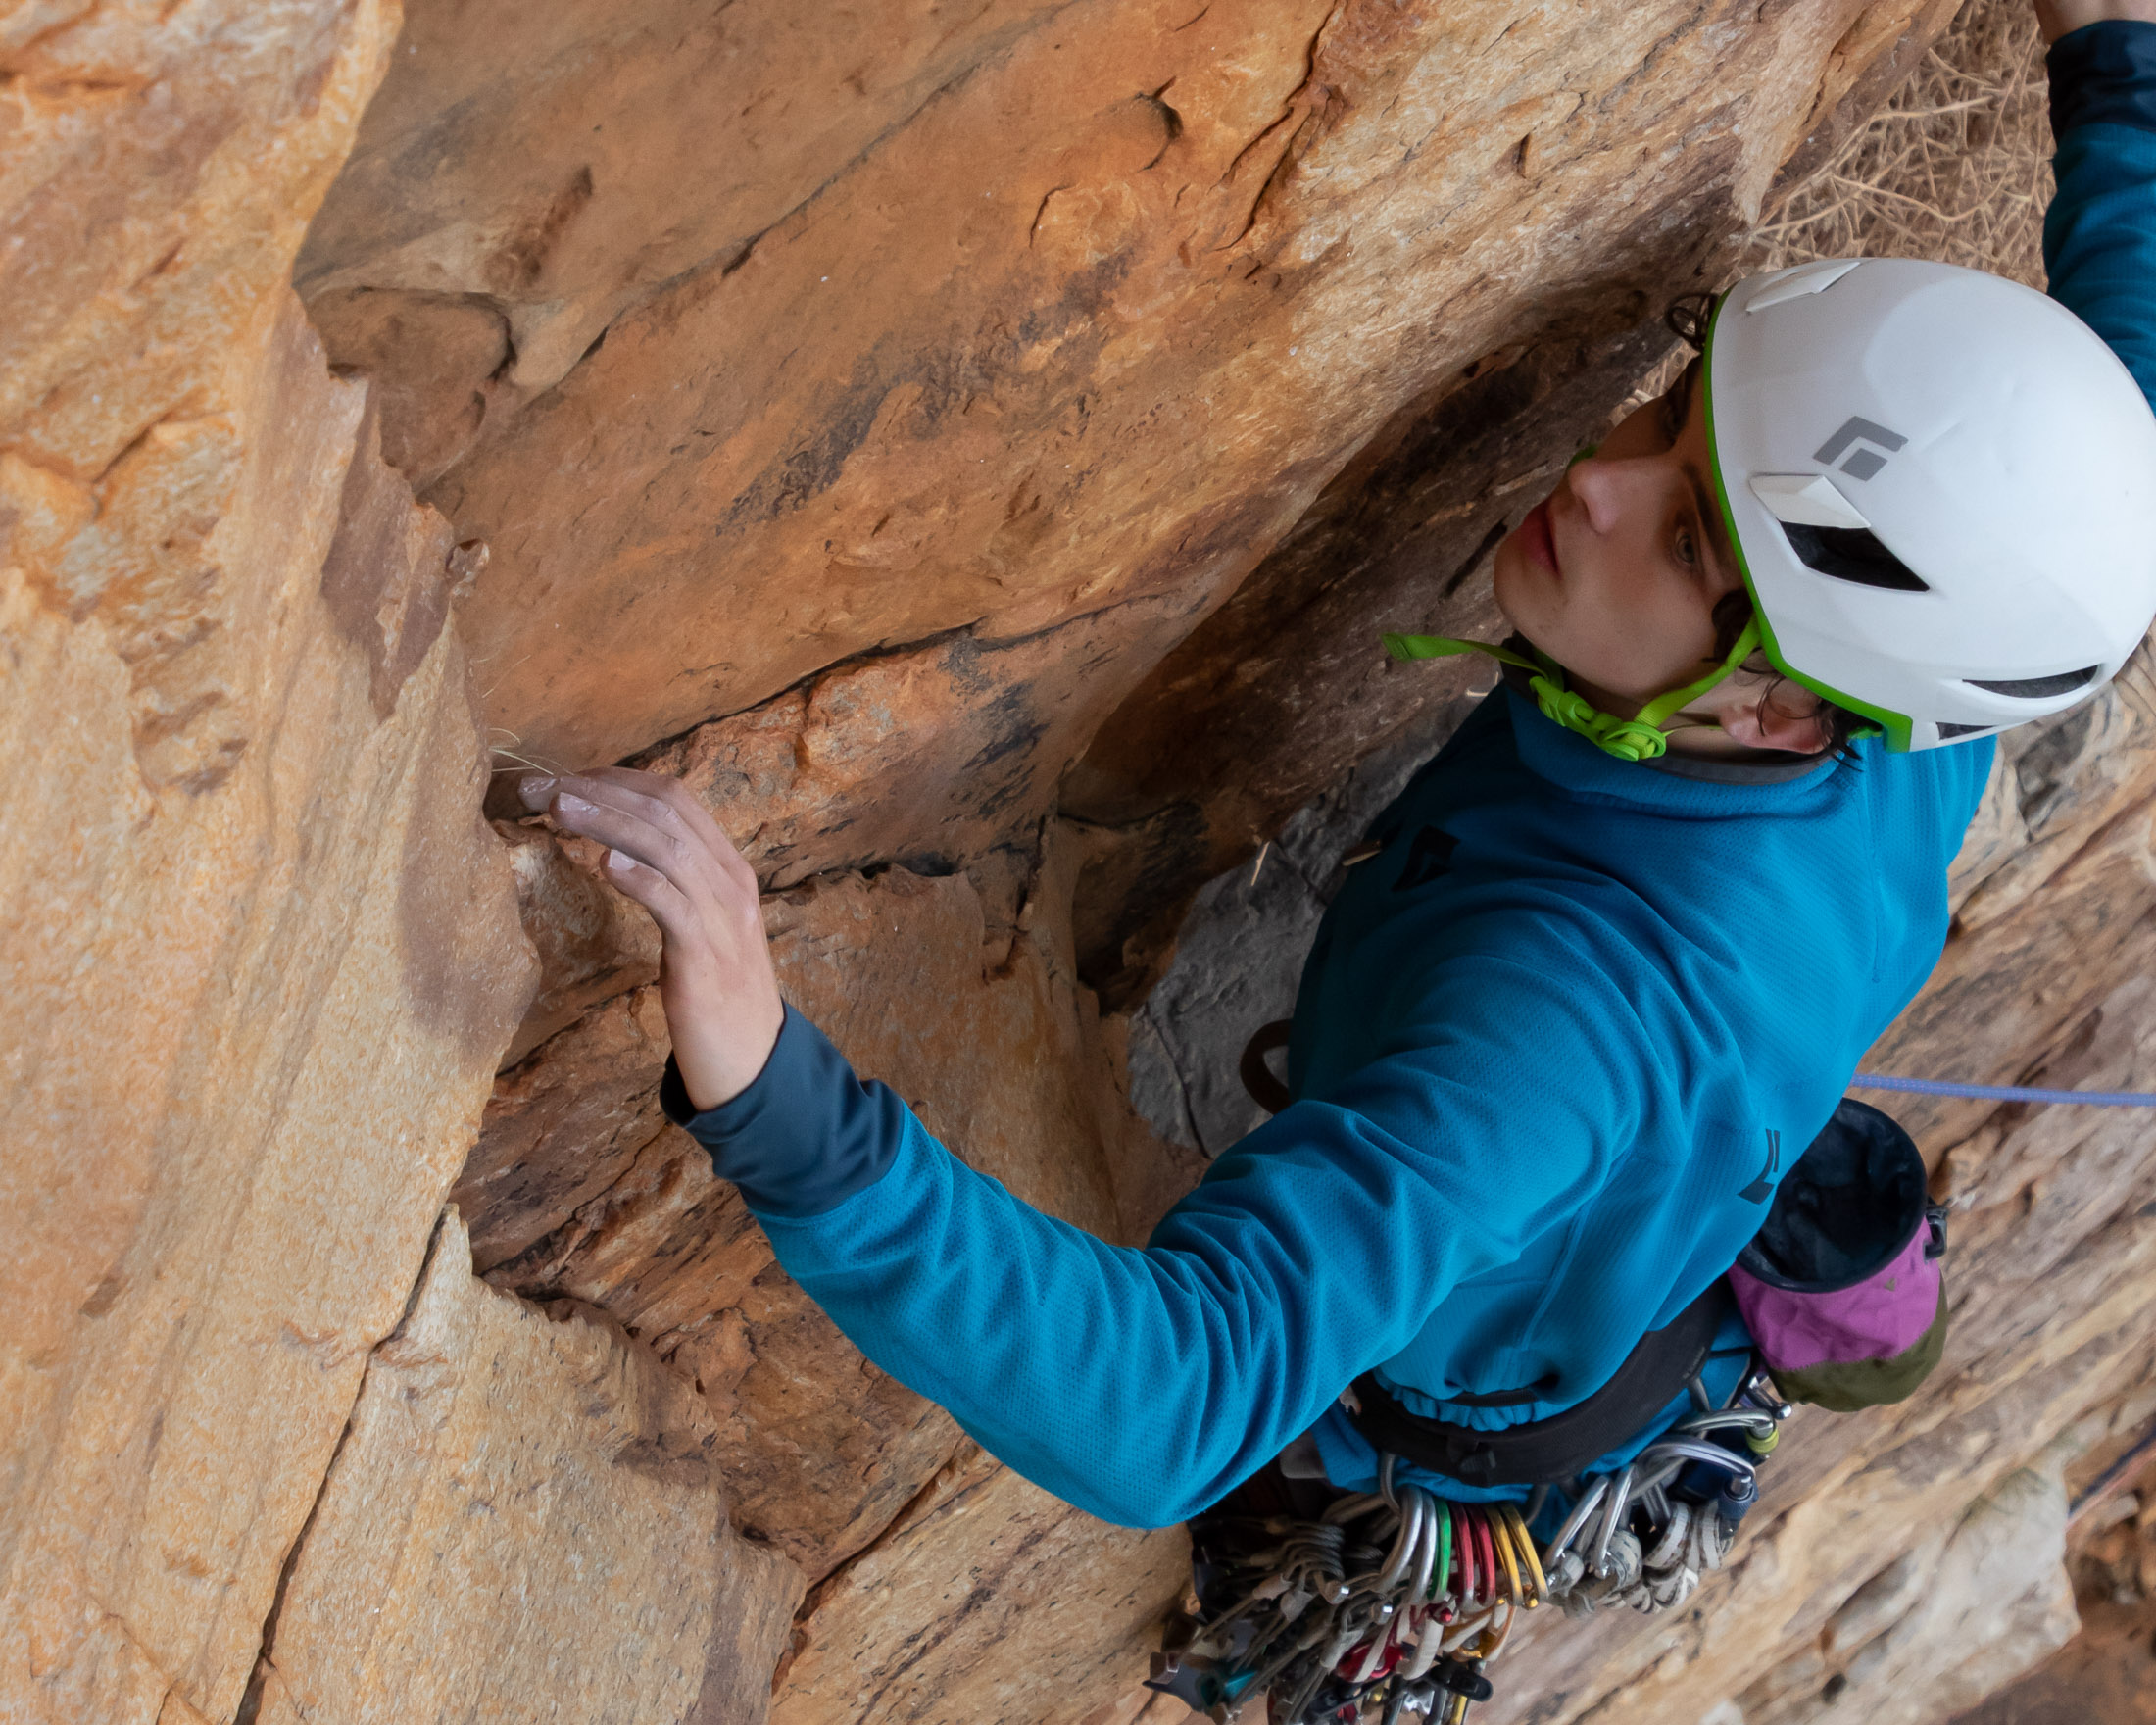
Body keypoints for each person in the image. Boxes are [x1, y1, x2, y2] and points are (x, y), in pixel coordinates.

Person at [517, 0, 2156, 1649]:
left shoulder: (1556, 1032)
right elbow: (2117, 440)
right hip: (1628, 1227)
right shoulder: (1906, 719)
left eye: (1688, 550)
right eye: (1673, 415)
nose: (1599, 479)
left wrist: (770, 1086)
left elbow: (1168, 1408)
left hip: (1472, 1388)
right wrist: (2118, 64)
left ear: (1780, 711)